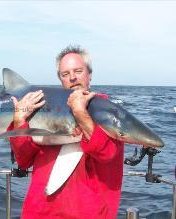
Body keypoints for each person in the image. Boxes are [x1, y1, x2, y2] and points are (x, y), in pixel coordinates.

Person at [8, 45, 124, 218]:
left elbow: (108, 155)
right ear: (60, 79)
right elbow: (24, 161)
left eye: (78, 71)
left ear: (89, 74)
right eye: (65, 74)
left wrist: (81, 114)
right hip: (39, 212)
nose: (72, 78)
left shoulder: (108, 113)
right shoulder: (43, 110)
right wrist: (19, 121)